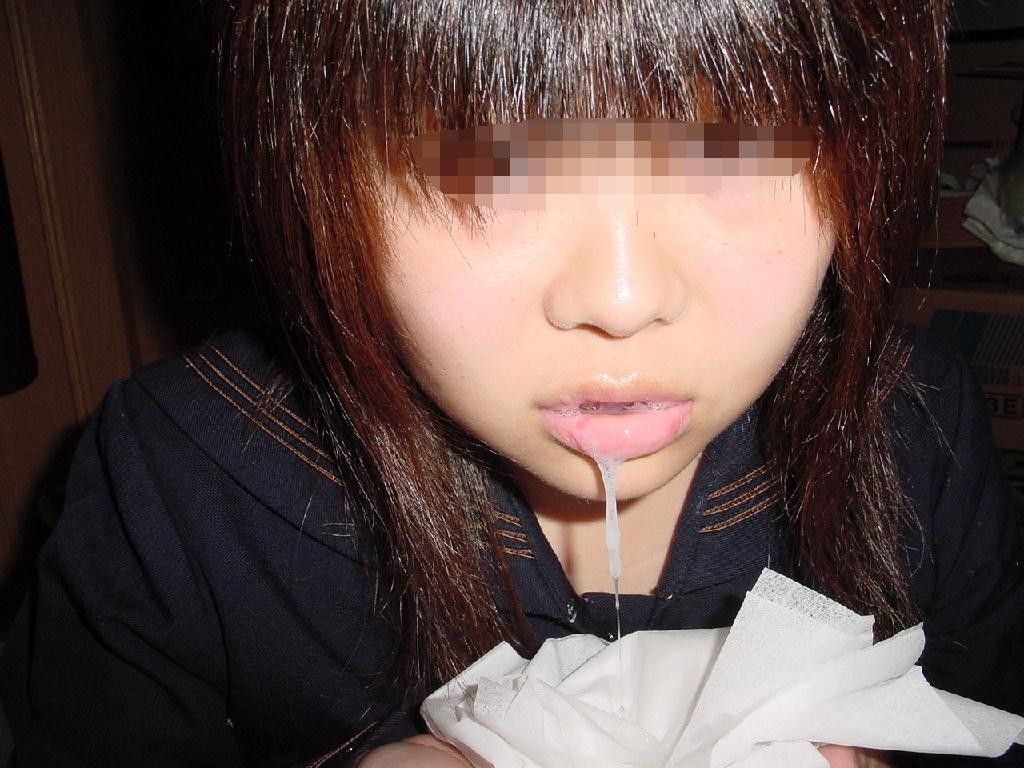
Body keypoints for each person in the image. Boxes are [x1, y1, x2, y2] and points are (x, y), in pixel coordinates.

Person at [2, 0, 1022, 766]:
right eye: (488, 164)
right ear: (314, 169)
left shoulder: (915, 429)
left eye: (738, 151)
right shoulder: (181, 480)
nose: (621, 299)